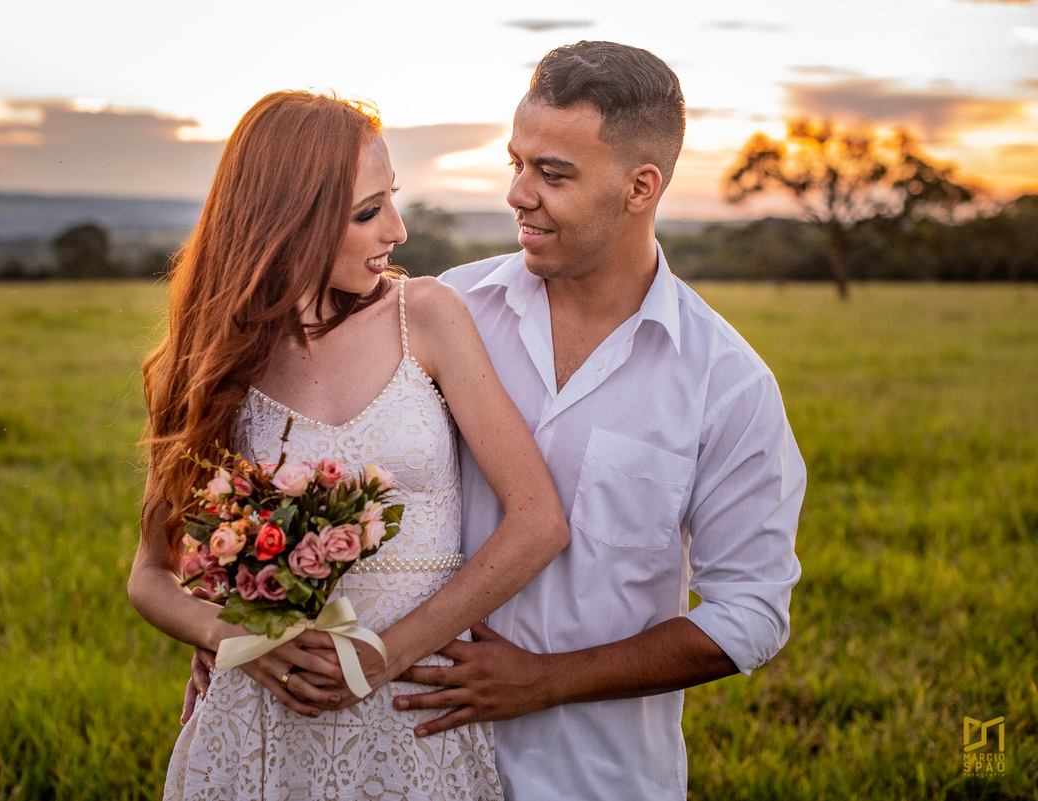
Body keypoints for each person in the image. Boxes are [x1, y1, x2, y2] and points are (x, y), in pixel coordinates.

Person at [185, 43, 806, 800]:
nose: (518, 192)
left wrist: (545, 681)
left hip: (595, 773)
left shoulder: (726, 384)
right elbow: (314, 447)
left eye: (552, 173)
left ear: (641, 186)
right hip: (400, 754)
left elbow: (749, 616)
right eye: (516, 162)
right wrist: (246, 621)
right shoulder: (440, 309)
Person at [128, 90, 568, 801]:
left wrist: (384, 654)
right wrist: (238, 640)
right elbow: (151, 574)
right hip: (262, 723)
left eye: (390, 199)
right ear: (289, 220)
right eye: (367, 212)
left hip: (410, 717)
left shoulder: (424, 316)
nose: (395, 227)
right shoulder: (212, 362)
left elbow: (538, 520)